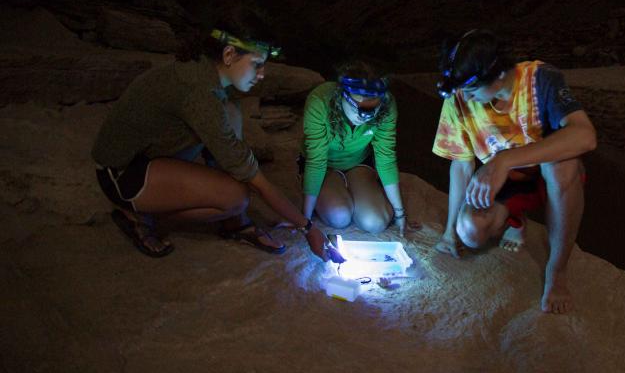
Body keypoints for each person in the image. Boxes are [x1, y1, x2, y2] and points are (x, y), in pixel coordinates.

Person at [91, 23, 331, 260]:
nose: (262, 74)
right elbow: (255, 179)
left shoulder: (205, 73)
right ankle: (143, 217)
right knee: (236, 197)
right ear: (229, 54)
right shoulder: (199, 92)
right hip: (122, 173)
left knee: (230, 113)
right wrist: (307, 228)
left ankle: (235, 222)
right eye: (257, 64)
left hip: (151, 154)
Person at [432, 29, 596, 314]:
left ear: (497, 76)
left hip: (550, 180)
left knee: (562, 165)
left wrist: (504, 159)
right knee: (471, 230)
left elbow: (585, 136)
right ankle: (515, 220)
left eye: (471, 92)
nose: (467, 100)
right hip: (509, 183)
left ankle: (556, 271)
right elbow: (461, 164)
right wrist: (449, 232)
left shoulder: (540, 79)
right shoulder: (459, 98)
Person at [299, 62, 418, 235]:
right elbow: (316, 161)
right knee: (339, 216)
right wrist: (305, 220)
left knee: (376, 222)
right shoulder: (320, 102)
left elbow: (386, 157)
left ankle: (355, 187)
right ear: (342, 96)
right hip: (325, 166)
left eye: (372, 109)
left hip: (358, 162)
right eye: (358, 107)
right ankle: (329, 189)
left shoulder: (387, 105)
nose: (364, 116)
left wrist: (400, 214)